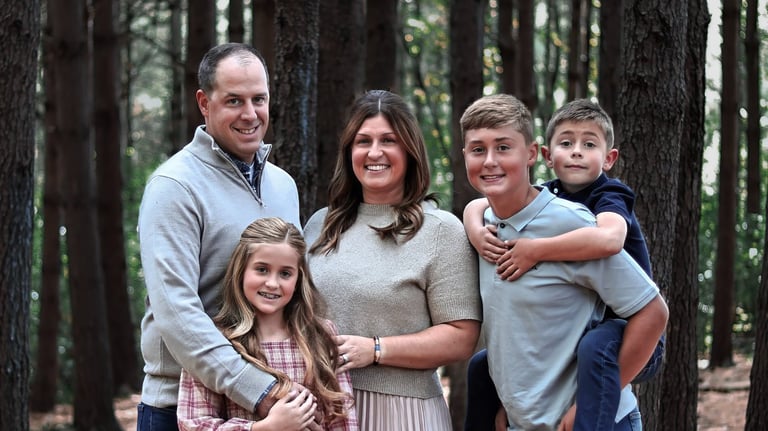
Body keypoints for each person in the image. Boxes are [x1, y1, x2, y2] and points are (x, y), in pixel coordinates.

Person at [460, 94, 668, 431]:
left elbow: (653, 312)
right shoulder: (484, 229)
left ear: (530, 154)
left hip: (593, 417)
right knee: (480, 366)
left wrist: (588, 404)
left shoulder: (578, 223)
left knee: (597, 345)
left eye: (503, 147)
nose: (490, 161)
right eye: (478, 149)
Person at [137, 43, 306, 431]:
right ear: (204, 102)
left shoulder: (283, 185)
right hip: (180, 408)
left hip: (276, 404)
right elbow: (177, 312)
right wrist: (259, 390)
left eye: (258, 99)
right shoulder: (174, 186)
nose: (250, 114)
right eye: (234, 101)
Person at [303, 89, 482, 430]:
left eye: (388, 140)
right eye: (363, 141)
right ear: (349, 151)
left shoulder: (440, 231)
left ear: (409, 150)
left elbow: (462, 337)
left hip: (402, 412)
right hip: (322, 407)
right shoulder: (319, 225)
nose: (374, 152)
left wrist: (376, 350)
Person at [177, 217, 358, 431]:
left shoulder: (320, 334)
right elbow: (194, 424)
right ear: (241, 270)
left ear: (298, 279)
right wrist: (266, 427)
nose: (272, 283)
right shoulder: (215, 341)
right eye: (262, 269)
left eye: (285, 273)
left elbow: (343, 420)